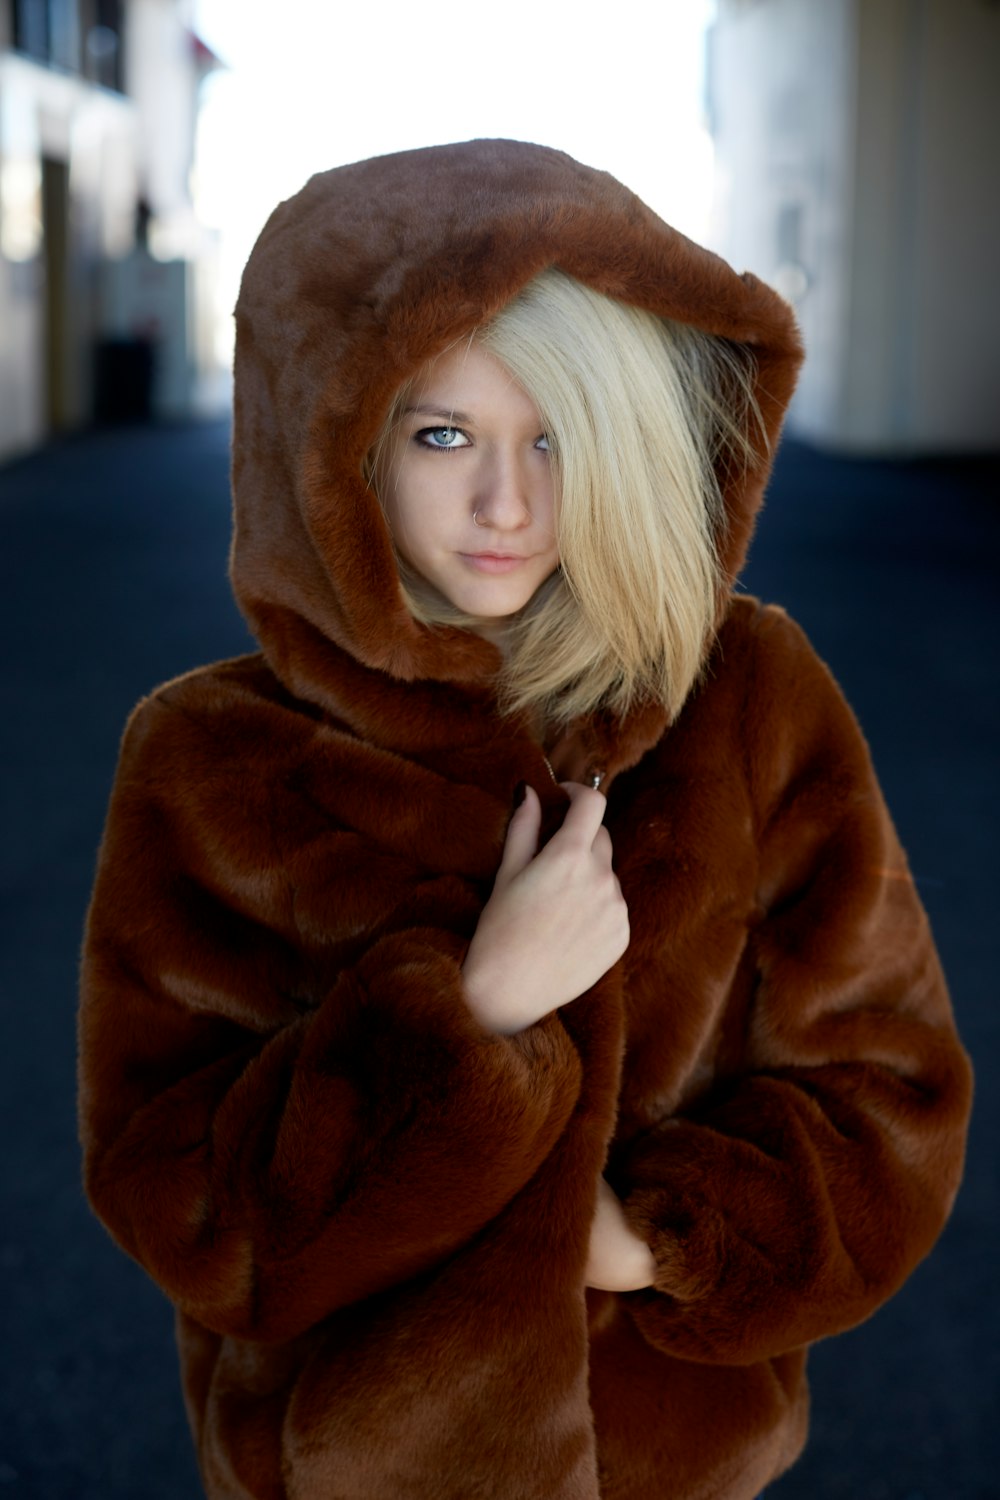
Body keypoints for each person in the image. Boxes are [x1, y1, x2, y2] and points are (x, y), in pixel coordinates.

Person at [78, 140, 972, 1500]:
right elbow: (185, 1204)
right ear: (342, 441)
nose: (507, 504)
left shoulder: (745, 699)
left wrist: (646, 1241)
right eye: (446, 435)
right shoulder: (210, 759)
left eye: (556, 436)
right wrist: (469, 1011)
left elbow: (892, 1101)